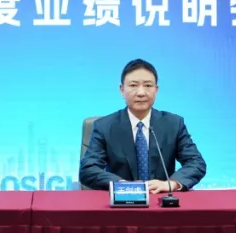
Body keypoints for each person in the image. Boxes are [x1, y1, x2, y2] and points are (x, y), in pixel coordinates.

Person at [80, 59, 206, 192]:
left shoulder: (173, 124)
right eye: (133, 85)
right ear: (122, 90)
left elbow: (196, 163)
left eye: (148, 85)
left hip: (161, 198)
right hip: (121, 199)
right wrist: (122, 185)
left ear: (156, 90)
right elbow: (88, 169)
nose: (141, 93)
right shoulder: (105, 126)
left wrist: (171, 184)